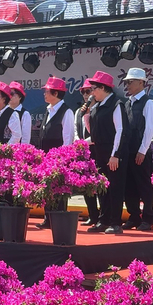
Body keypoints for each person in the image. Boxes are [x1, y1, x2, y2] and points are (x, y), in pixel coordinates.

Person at [85, 71, 127, 234]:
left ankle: (115, 222)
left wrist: (115, 154)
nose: (92, 92)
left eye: (94, 88)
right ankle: (103, 220)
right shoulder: (97, 107)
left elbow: (120, 131)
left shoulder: (116, 105)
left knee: (115, 188)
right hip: (99, 152)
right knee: (102, 188)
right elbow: (95, 133)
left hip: (113, 153)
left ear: (103, 88)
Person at [38, 76, 75, 229]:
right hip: (46, 157)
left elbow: (68, 138)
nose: (44, 94)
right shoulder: (48, 110)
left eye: (47, 91)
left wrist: (63, 159)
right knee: (47, 188)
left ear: (56, 93)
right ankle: (48, 217)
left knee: (58, 189)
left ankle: (58, 218)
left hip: (59, 158)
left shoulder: (66, 112)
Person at [122, 68, 153, 232]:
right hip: (127, 150)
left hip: (140, 150)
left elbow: (149, 128)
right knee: (129, 186)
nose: (127, 85)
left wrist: (142, 150)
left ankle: (148, 218)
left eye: (131, 82)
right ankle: (134, 216)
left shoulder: (148, 103)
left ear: (141, 82)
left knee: (144, 185)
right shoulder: (127, 103)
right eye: (127, 82)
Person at [75, 80, 99, 227]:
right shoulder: (79, 111)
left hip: (97, 149)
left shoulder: (98, 110)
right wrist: (78, 143)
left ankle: (103, 216)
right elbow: (75, 130)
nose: (85, 95)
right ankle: (92, 214)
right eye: (83, 92)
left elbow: (97, 133)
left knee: (99, 183)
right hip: (83, 151)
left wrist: (85, 142)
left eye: (88, 91)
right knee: (86, 184)